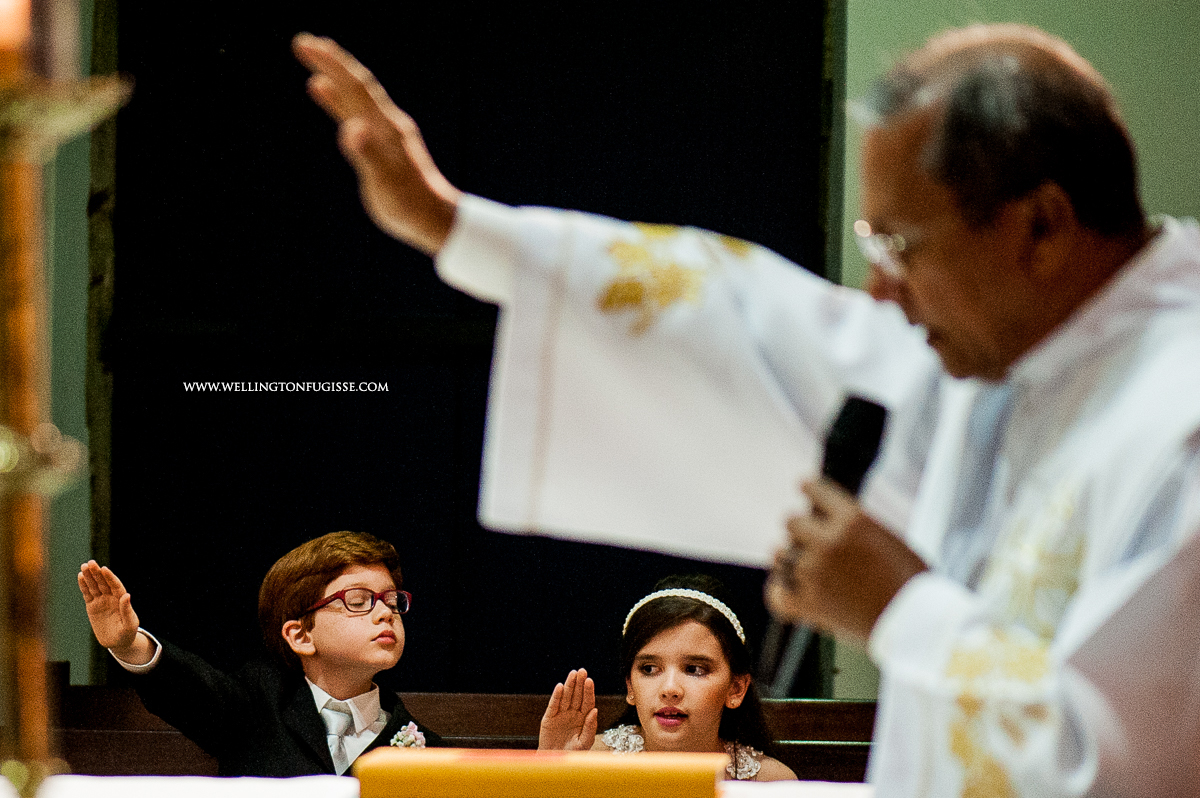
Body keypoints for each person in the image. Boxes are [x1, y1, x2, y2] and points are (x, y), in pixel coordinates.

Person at [292, 22, 1200, 797]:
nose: (882, 293)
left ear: (1040, 226)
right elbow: (753, 321)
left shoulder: (1177, 416)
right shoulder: (1002, 346)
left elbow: (1127, 762)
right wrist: (455, 225)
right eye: (869, 242)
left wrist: (898, 607)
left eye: (902, 244)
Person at [77, 531, 441, 777]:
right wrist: (128, 644)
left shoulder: (425, 748)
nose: (385, 613)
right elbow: (188, 690)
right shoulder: (254, 707)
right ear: (299, 635)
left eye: (392, 601)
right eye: (358, 601)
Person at [538, 576, 796, 781]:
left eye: (694, 669)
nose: (669, 689)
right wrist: (547, 775)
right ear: (630, 686)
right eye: (649, 669)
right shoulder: (587, 759)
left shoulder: (771, 782)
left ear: (736, 689)